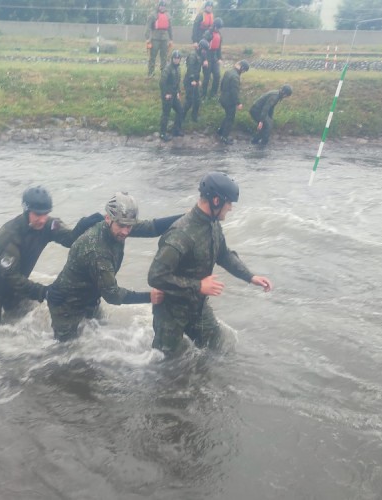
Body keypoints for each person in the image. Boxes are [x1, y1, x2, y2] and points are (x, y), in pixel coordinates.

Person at [147, 172, 273, 355]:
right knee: (167, 367)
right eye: (229, 202)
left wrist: (250, 276)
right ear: (216, 201)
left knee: (219, 349)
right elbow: (155, 276)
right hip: (171, 313)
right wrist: (199, 285)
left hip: (197, 306)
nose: (230, 208)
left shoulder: (212, 224)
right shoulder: (181, 234)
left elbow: (223, 254)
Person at [47, 193, 182, 341]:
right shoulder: (97, 251)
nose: (125, 231)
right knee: (66, 354)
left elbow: (152, 228)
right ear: (108, 219)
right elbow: (113, 295)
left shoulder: (118, 227)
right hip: (66, 306)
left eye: (129, 226)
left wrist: (187, 217)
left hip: (90, 299)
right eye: (122, 226)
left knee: (95, 343)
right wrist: (150, 296)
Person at [0, 186, 104, 327]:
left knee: (24, 329)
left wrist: (80, 228)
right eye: (37, 214)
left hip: (16, 291)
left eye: (45, 214)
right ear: (27, 211)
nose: (42, 219)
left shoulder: (49, 225)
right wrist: (44, 292)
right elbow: (11, 277)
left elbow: (70, 240)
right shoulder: (8, 235)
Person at [216, 60, 250, 144]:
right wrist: (238, 103)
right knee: (230, 118)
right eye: (244, 70)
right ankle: (224, 137)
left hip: (223, 97)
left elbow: (222, 84)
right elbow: (234, 91)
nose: (243, 72)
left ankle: (220, 131)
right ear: (242, 68)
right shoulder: (235, 77)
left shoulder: (228, 72)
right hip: (229, 101)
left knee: (228, 116)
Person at [159, 49, 183, 142]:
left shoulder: (178, 68)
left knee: (180, 110)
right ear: (172, 58)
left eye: (178, 58)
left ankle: (176, 130)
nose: (176, 60)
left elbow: (177, 82)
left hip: (174, 94)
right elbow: (162, 82)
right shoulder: (167, 68)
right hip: (168, 95)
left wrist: (178, 92)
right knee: (166, 114)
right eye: (175, 58)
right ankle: (162, 133)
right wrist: (165, 94)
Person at [183, 39, 209, 123]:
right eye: (204, 49)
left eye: (206, 50)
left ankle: (194, 117)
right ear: (200, 47)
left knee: (197, 100)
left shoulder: (201, 54)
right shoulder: (193, 55)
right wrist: (193, 80)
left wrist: (198, 80)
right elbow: (190, 69)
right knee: (189, 100)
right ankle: (181, 116)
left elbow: (200, 66)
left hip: (196, 80)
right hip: (189, 80)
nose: (205, 51)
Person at [146, 0, 173, 78]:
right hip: (155, 38)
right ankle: (151, 73)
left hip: (165, 38)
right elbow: (148, 27)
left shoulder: (168, 16)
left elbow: (170, 28)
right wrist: (147, 38)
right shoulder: (153, 15)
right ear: (158, 6)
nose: (162, 8)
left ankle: (163, 73)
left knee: (164, 56)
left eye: (164, 6)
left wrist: (171, 39)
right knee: (152, 56)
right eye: (161, 6)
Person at [201, 18, 224, 99]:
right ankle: (203, 95)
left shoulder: (219, 35)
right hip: (207, 55)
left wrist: (220, 58)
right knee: (207, 77)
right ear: (214, 25)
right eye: (217, 27)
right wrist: (204, 60)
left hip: (214, 57)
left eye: (219, 28)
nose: (217, 29)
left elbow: (219, 48)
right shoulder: (208, 33)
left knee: (217, 75)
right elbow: (203, 48)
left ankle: (213, 94)